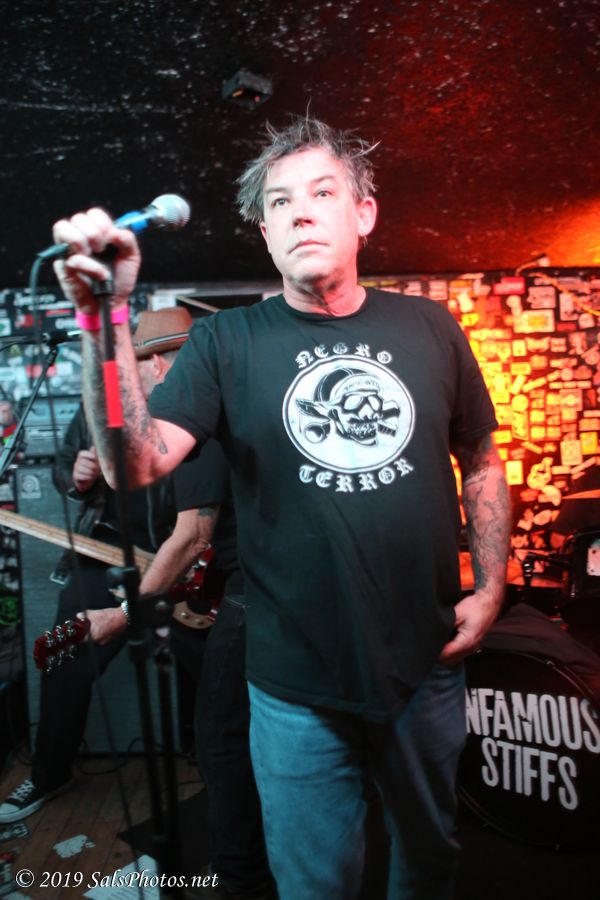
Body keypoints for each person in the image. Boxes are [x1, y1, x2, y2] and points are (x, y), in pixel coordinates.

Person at [49, 116, 511, 899]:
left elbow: (482, 461)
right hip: (292, 683)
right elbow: (134, 463)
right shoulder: (224, 344)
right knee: (312, 882)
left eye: (322, 193)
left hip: (425, 661)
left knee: (429, 858)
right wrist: (104, 323)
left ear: (363, 214)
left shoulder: (430, 327)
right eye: (279, 202)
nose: (300, 213)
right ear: (265, 233)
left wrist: (492, 586)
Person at [0, 307, 212, 822]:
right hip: (108, 555)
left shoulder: (206, 403)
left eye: (173, 356)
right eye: (153, 357)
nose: (161, 367)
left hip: (188, 565)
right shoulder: (105, 401)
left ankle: (220, 770)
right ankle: (50, 772)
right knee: (61, 654)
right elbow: (64, 470)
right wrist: (78, 476)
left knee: (219, 673)